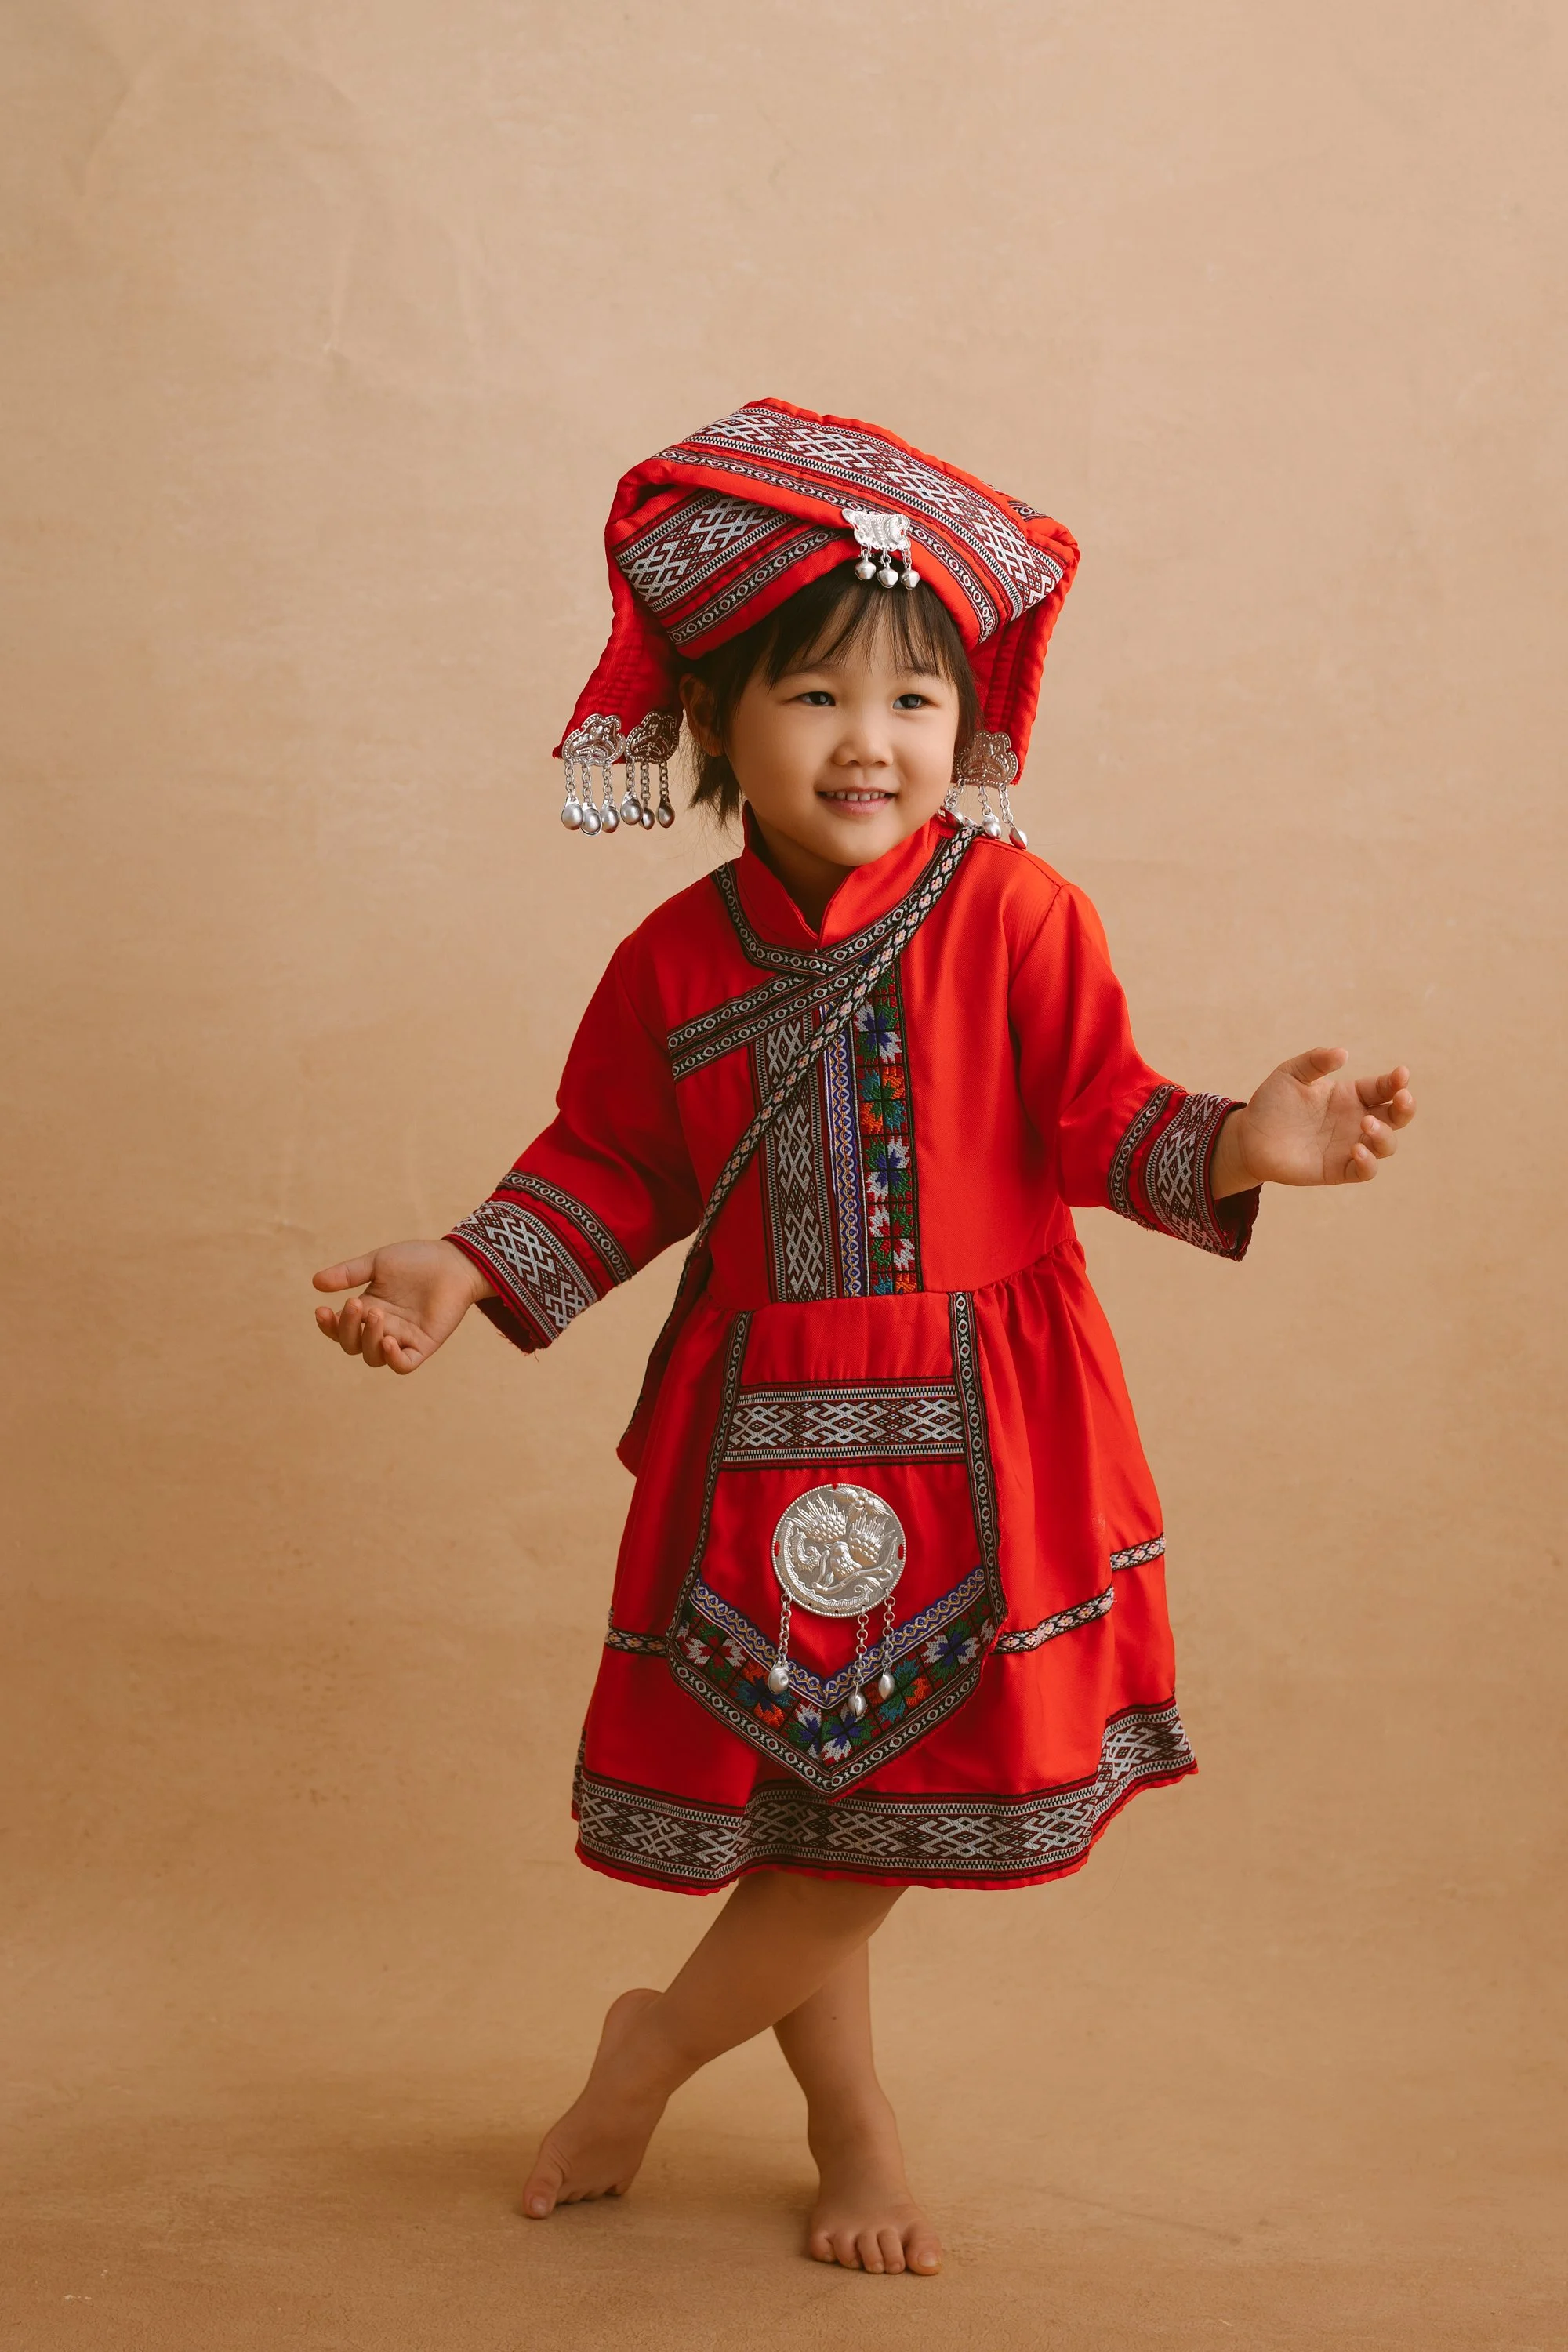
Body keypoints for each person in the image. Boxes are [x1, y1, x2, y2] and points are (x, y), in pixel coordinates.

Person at [312, 398, 1416, 2276]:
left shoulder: (1020, 916)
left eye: (913, 701)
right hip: (760, 1422)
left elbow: (1099, 1116)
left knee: (875, 1817)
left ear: (965, 728)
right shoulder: (673, 961)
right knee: (811, 1797)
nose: (870, 740)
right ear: (713, 718)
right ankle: (847, 2114)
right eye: (815, 696)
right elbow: (612, 1165)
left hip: (987, 1428)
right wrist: (466, 1268)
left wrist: (1247, 1141)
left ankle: (655, 2047)